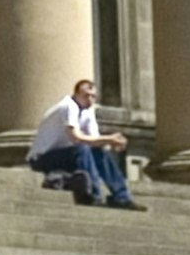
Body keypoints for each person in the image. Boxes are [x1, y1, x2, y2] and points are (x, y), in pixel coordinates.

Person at [27, 78, 140, 208]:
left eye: (93, 96)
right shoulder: (68, 106)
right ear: (76, 94)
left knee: (97, 151)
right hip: (41, 159)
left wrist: (112, 145)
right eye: (86, 96)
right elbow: (76, 137)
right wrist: (109, 139)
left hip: (67, 157)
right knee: (82, 148)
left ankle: (122, 197)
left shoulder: (88, 111)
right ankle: (94, 194)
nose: (90, 100)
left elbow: (95, 140)